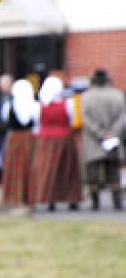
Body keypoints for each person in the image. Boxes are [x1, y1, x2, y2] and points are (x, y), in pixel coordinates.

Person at [31, 75, 82, 211]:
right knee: (68, 170)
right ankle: (72, 199)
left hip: (45, 141)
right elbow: (72, 121)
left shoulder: (39, 106)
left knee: (47, 170)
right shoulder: (68, 104)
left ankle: (49, 199)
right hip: (65, 139)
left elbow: (36, 124)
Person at [80, 69, 125, 211]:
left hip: (93, 141)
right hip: (113, 139)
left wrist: (100, 133)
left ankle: (95, 203)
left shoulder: (86, 97)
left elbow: (85, 119)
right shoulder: (118, 96)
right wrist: (112, 133)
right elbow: (122, 117)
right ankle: (117, 202)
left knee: (93, 173)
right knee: (113, 171)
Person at [0, 79, 38, 211]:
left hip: (14, 139)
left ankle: (15, 197)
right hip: (28, 139)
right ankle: (27, 198)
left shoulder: (9, 105)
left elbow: (4, 120)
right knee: (27, 167)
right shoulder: (34, 105)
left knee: (15, 167)